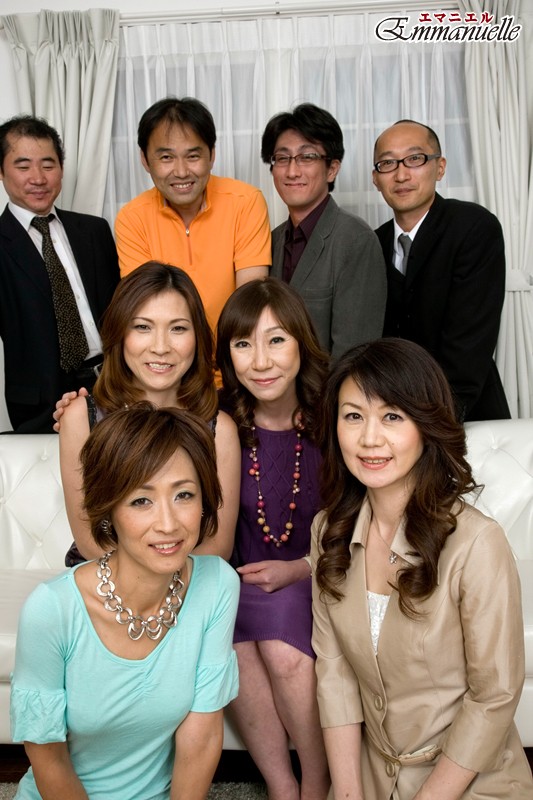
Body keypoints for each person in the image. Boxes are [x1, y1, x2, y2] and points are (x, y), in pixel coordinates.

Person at [311, 338, 533, 800]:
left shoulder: (477, 543)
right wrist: (348, 793)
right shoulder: (328, 532)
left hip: (468, 780)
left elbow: (493, 696)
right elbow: (335, 675)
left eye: (392, 416)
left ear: (426, 425)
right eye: (353, 416)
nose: (370, 438)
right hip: (370, 774)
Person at [11, 404, 240, 800]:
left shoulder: (217, 585)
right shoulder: (51, 609)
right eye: (141, 501)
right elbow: (48, 759)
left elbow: (201, 736)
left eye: (184, 495)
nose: (168, 524)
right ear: (109, 509)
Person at [216, 277, 330, 800]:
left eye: (276, 340)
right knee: (231, 642)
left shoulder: (336, 418)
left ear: (302, 343)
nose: (260, 361)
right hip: (240, 581)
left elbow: (361, 521)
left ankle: (318, 779)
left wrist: (301, 567)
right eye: (243, 344)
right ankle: (282, 786)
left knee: (283, 651)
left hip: (319, 574)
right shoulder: (220, 425)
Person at [57, 262, 240, 565]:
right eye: (143, 327)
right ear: (120, 333)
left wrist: (166, 583)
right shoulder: (80, 418)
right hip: (104, 575)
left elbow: (218, 544)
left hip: (191, 578)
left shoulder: (220, 430)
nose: (160, 347)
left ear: (198, 337)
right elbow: (89, 539)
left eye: (178, 328)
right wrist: (142, 584)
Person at [372, 119, 510, 422]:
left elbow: (468, 349)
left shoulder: (473, 227)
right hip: (390, 419)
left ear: (440, 167)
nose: (401, 174)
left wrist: (430, 425)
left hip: (465, 417)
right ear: (376, 179)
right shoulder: (373, 243)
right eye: (388, 163)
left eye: (415, 158)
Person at [0, 115, 120, 433]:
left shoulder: (94, 230)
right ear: (1, 171)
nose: (38, 178)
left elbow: (119, 309)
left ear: (62, 169)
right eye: (23, 166)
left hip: (113, 384)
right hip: (42, 402)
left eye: (48, 164)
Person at [115, 96, 271, 331]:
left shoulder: (246, 202)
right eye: (166, 157)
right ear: (145, 160)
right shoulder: (132, 218)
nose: (181, 172)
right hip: (169, 349)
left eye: (193, 156)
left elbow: (250, 300)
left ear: (212, 155)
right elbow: (146, 308)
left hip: (233, 345)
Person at [261, 103, 387, 359]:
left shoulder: (355, 241)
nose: (292, 171)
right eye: (282, 158)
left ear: (332, 169)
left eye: (307, 157)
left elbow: (354, 355)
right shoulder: (270, 240)